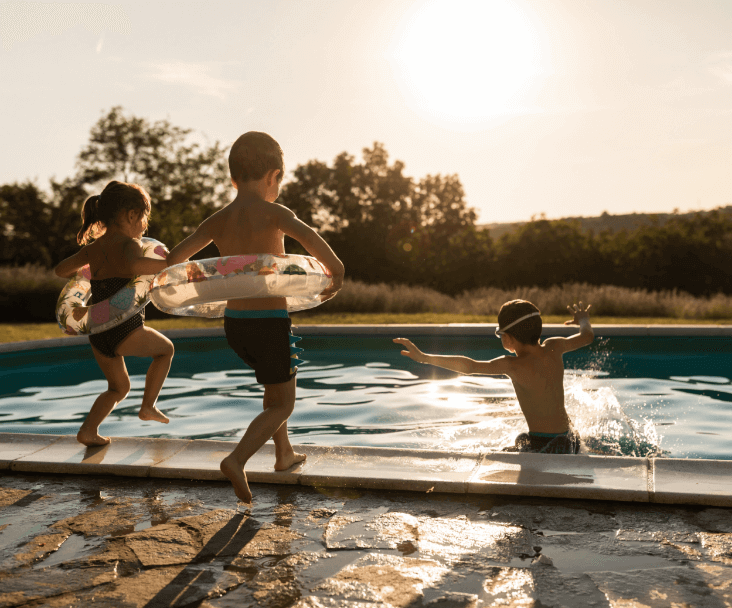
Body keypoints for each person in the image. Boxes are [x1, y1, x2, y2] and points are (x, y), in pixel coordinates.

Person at [166, 131, 344, 504]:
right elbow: (311, 242)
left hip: (235, 325)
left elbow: (175, 261)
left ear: (232, 179)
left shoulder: (217, 220)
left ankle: (284, 454)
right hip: (270, 321)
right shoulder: (275, 213)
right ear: (273, 176)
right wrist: (337, 271)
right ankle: (237, 459)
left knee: (272, 385)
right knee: (284, 402)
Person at [54, 181, 174, 447]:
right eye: (144, 218)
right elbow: (135, 265)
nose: (145, 225)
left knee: (118, 388)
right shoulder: (130, 244)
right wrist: (169, 264)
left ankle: (88, 430)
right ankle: (148, 407)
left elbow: (61, 270)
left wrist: (86, 270)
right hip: (125, 328)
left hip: (98, 333)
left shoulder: (93, 248)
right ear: (132, 215)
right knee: (166, 350)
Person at [393, 299, 594, 454]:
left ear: (508, 338)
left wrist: (424, 358)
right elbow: (587, 336)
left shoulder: (512, 365)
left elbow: (470, 366)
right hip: (569, 439)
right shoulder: (554, 346)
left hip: (546, 445)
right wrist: (583, 319)